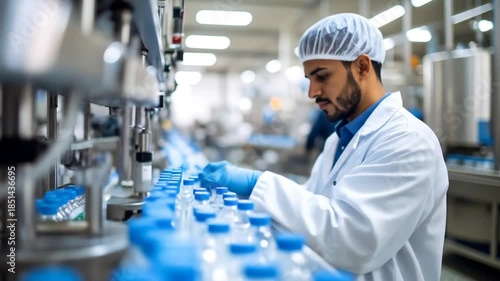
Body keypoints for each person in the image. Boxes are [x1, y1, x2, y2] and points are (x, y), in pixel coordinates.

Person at [199, 13, 448, 281]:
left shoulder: (407, 141)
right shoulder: (339, 139)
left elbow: (355, 242)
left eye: (322, 76)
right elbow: (313, 210)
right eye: (309, 79)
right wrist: (247, 201)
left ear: (362, 66)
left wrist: (258, 183)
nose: (312, 92)